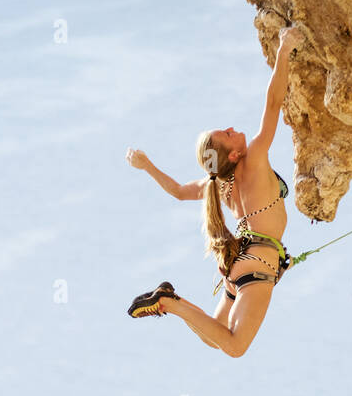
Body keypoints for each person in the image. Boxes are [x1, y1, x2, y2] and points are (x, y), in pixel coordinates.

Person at [125, 25, 303, 357]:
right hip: (256, 261)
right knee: (235, 347)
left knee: (213, 337)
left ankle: (170, 299)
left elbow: (178, 191)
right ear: (234, 155)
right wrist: (283, 49)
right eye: (227, 133)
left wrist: (146, 165)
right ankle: (169, 302)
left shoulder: (218, 185)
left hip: (240, 264)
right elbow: (274, 102)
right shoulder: (255, 159)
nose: (234, 128)